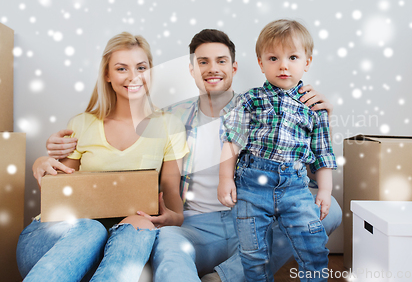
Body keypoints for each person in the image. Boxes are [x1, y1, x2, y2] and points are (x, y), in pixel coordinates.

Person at [44, 28, 342, 282]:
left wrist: (320, 118)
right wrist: (50, 154)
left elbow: (310, 171)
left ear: (234, 68)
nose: (213, 68)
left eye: (221, 61)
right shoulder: (169, 118)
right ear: (192, 69)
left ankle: (224, 276)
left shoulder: (266, 109)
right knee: (169, 250)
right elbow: (113, 146)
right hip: (195, 226)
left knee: (330, 212)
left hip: (253, 219)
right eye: (203, 61)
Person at [17, 32, 189, 282]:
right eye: (122, 68)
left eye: (141, 67)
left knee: (140, 225)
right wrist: (42, 165)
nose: (133, 77)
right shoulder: (82, 124)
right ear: (107, 75)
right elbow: (57, 197)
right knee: (90, 228)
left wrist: (171, 217)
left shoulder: (169, 127)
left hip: (116, 248)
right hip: (52, 244)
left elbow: (174, 204)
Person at [218, 19, 334, 282]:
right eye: (273, 58)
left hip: (294, 187)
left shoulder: (313, 106)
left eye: (293, 57)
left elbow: (322, 152)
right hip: (252, 185)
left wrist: (325, 190)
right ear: (260, 62)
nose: (283, 65)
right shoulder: (250, 100)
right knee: (253, 253)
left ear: (307, 61)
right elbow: (231, 140)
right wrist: (225, 178)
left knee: (313, 247)